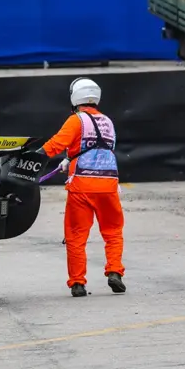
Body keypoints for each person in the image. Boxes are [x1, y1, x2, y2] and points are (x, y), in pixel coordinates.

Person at [40, 77, 125, 297]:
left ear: (75, 97)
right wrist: (70, 158)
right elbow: (100, 148)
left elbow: (57, 143)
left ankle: (78, 282)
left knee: (76, 235)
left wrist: (35, 155)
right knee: (113, 231)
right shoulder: (107, 121)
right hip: (109, 186)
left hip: (82, 187)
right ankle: (115, 270)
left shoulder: (76, 120)